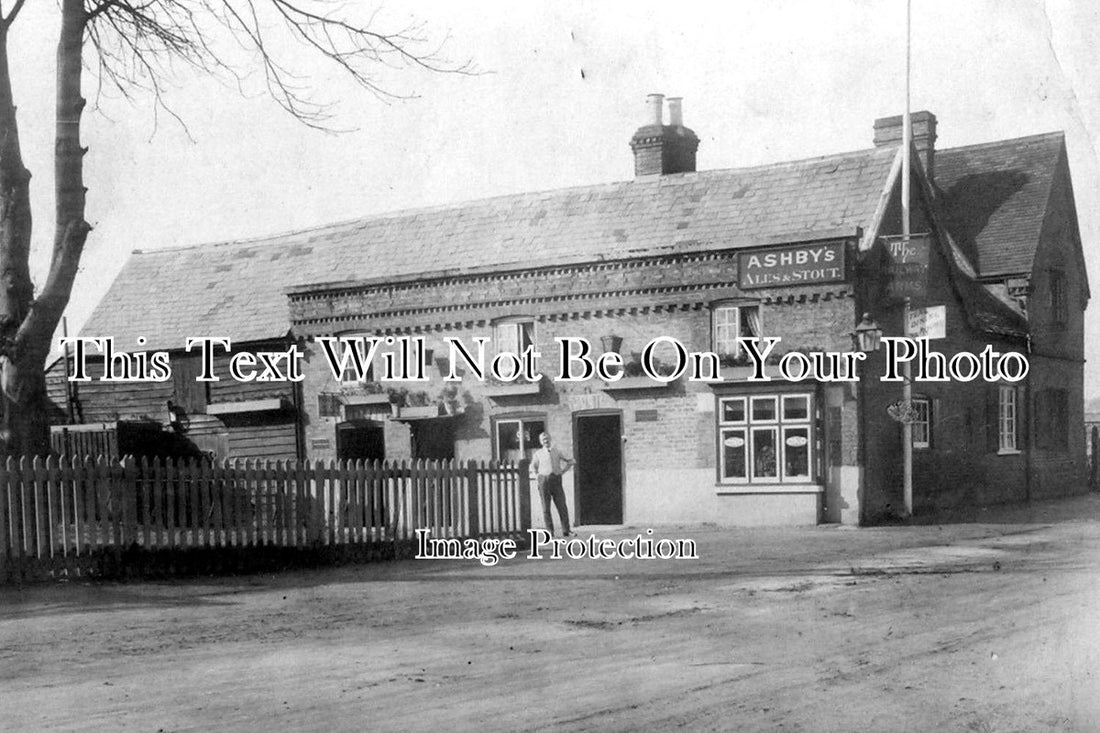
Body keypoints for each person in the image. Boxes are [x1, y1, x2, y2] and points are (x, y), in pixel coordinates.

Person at [530, 431, 574, 537]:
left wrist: (562, 471)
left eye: (547, 439)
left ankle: (566, 530)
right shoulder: (538, 454)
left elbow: (571, 461)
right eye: (543, 439)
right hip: (543, 481)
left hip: (556, 480)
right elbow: (533, 467)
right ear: (541, 442)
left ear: (550, 439)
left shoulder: (557, 451)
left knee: (562, 505)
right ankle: (550, 531)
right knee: (546, 507)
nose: (546, 441)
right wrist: (537, 476)